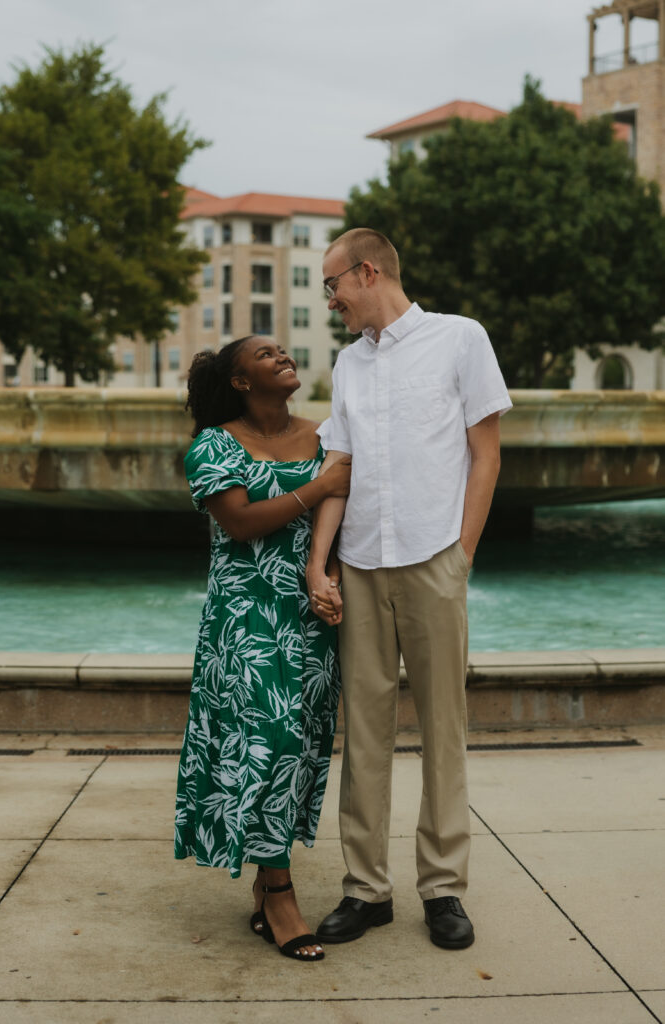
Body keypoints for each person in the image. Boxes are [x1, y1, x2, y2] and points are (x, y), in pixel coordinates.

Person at [306, 228, 512, 950]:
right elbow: (339, 462)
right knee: (361, 734)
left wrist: (460, 555)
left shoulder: (460, 339)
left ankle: (443, 887)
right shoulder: (346, 363)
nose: (328, 298)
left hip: (432, 559)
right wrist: (318, 563)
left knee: (442, 730)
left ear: (366, 272)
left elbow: (485, 455)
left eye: (332, 283)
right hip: (359, 565)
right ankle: (366, 890)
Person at [174, 336, 351, 962]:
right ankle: (278, 891)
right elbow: (241, 523)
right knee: (266, 739)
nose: (281, 355)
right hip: (245, 618)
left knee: (299, 743)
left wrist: (324, 572)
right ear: (241, 381)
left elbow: (341, 498)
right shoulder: (214, 444)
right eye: (264, 353)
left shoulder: (324, 435)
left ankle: (266, 871)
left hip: (310, 614)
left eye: (283, 349)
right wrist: (318, 486)